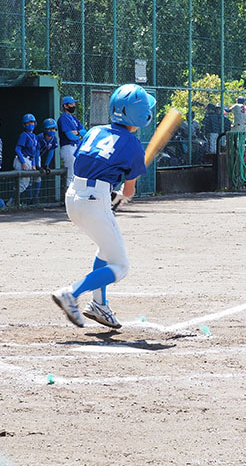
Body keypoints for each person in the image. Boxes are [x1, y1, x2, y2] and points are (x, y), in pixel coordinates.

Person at [51, 84, 152, 329]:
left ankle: (99, 305)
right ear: (138, 116)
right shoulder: (133, 145)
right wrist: (123, 196)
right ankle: (71, 293)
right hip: (94, 201)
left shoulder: (96, 131)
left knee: (105, 251)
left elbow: (93, 164)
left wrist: (110, 194)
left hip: (74, 196)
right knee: (121, 265)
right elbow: (129, 190)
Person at [57, 95, 86, 187]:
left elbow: (84, 132)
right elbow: (70, 136)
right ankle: (67, 198)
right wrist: (79, 136)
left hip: (75, 147)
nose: (73, 105)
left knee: (76, 173)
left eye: (74, 103)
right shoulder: (63, 118)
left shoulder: (73, 118)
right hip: (67, 148)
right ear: (65, 106)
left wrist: (77, 132)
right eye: (71, 104)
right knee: (70, 174)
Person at [14, 113, 40, 204]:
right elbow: (17, 149)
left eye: (32, 122)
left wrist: (33, 165)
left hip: (29, 160)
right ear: (24, 125)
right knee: (22, 184)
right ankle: (12, 203)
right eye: (28, 123)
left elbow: (34, 152)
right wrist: (23, 162)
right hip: (22, 159)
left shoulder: (35, 136)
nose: (30, 124)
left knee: (26, 184)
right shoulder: (24, 135)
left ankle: (15, 202)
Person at [32, 118, 58, 201]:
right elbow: (36, 152)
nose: (52, 131)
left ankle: (35, 197)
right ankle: (27, 199)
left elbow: (51, 152)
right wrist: (37, 165)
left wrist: (46, 165)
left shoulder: (54, 138)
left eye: (53, 129)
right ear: (45, 129)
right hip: (32, 157)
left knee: (38, 178)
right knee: (28, 180)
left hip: (38, 157)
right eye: (49, 129)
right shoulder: (39, 137)